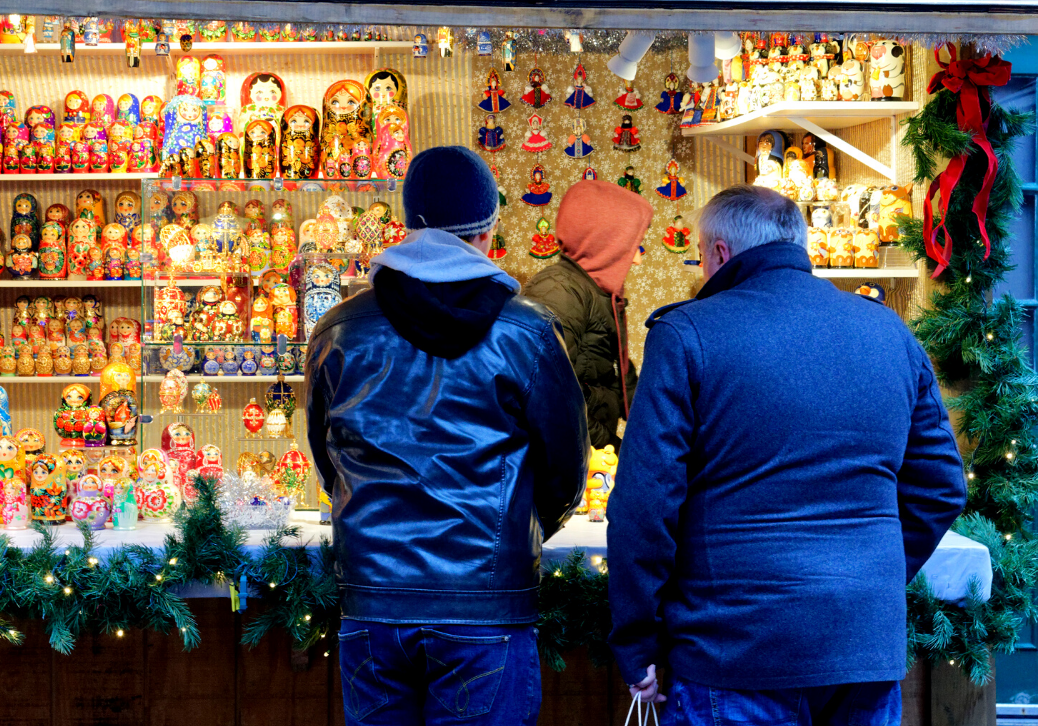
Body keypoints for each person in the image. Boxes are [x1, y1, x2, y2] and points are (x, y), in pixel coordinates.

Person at [608, 186, 966, 725]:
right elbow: (939, 486)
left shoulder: (686, 334)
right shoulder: (890, 331)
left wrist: (638, 644)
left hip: (733, 647)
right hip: (861, 648)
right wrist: (863, 580)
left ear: (721, 254)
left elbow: (644, 505)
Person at [307, 145, 588, 726]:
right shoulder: (528, 332)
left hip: (373, 599)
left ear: (407, 227)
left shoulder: (339, 329)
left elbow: (326, 455)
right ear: (487, 233)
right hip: (485, 602)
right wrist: (519, 528)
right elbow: (565, 470)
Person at [523, 179, 654, 448]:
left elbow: (620, 369)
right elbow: (553, 397)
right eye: (633, 247)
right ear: (606, 242)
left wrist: (652, 427)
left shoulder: (598, 289)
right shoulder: (559, 292)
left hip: (585, 451)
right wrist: (610, 446)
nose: (638, 259)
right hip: (571, 455)